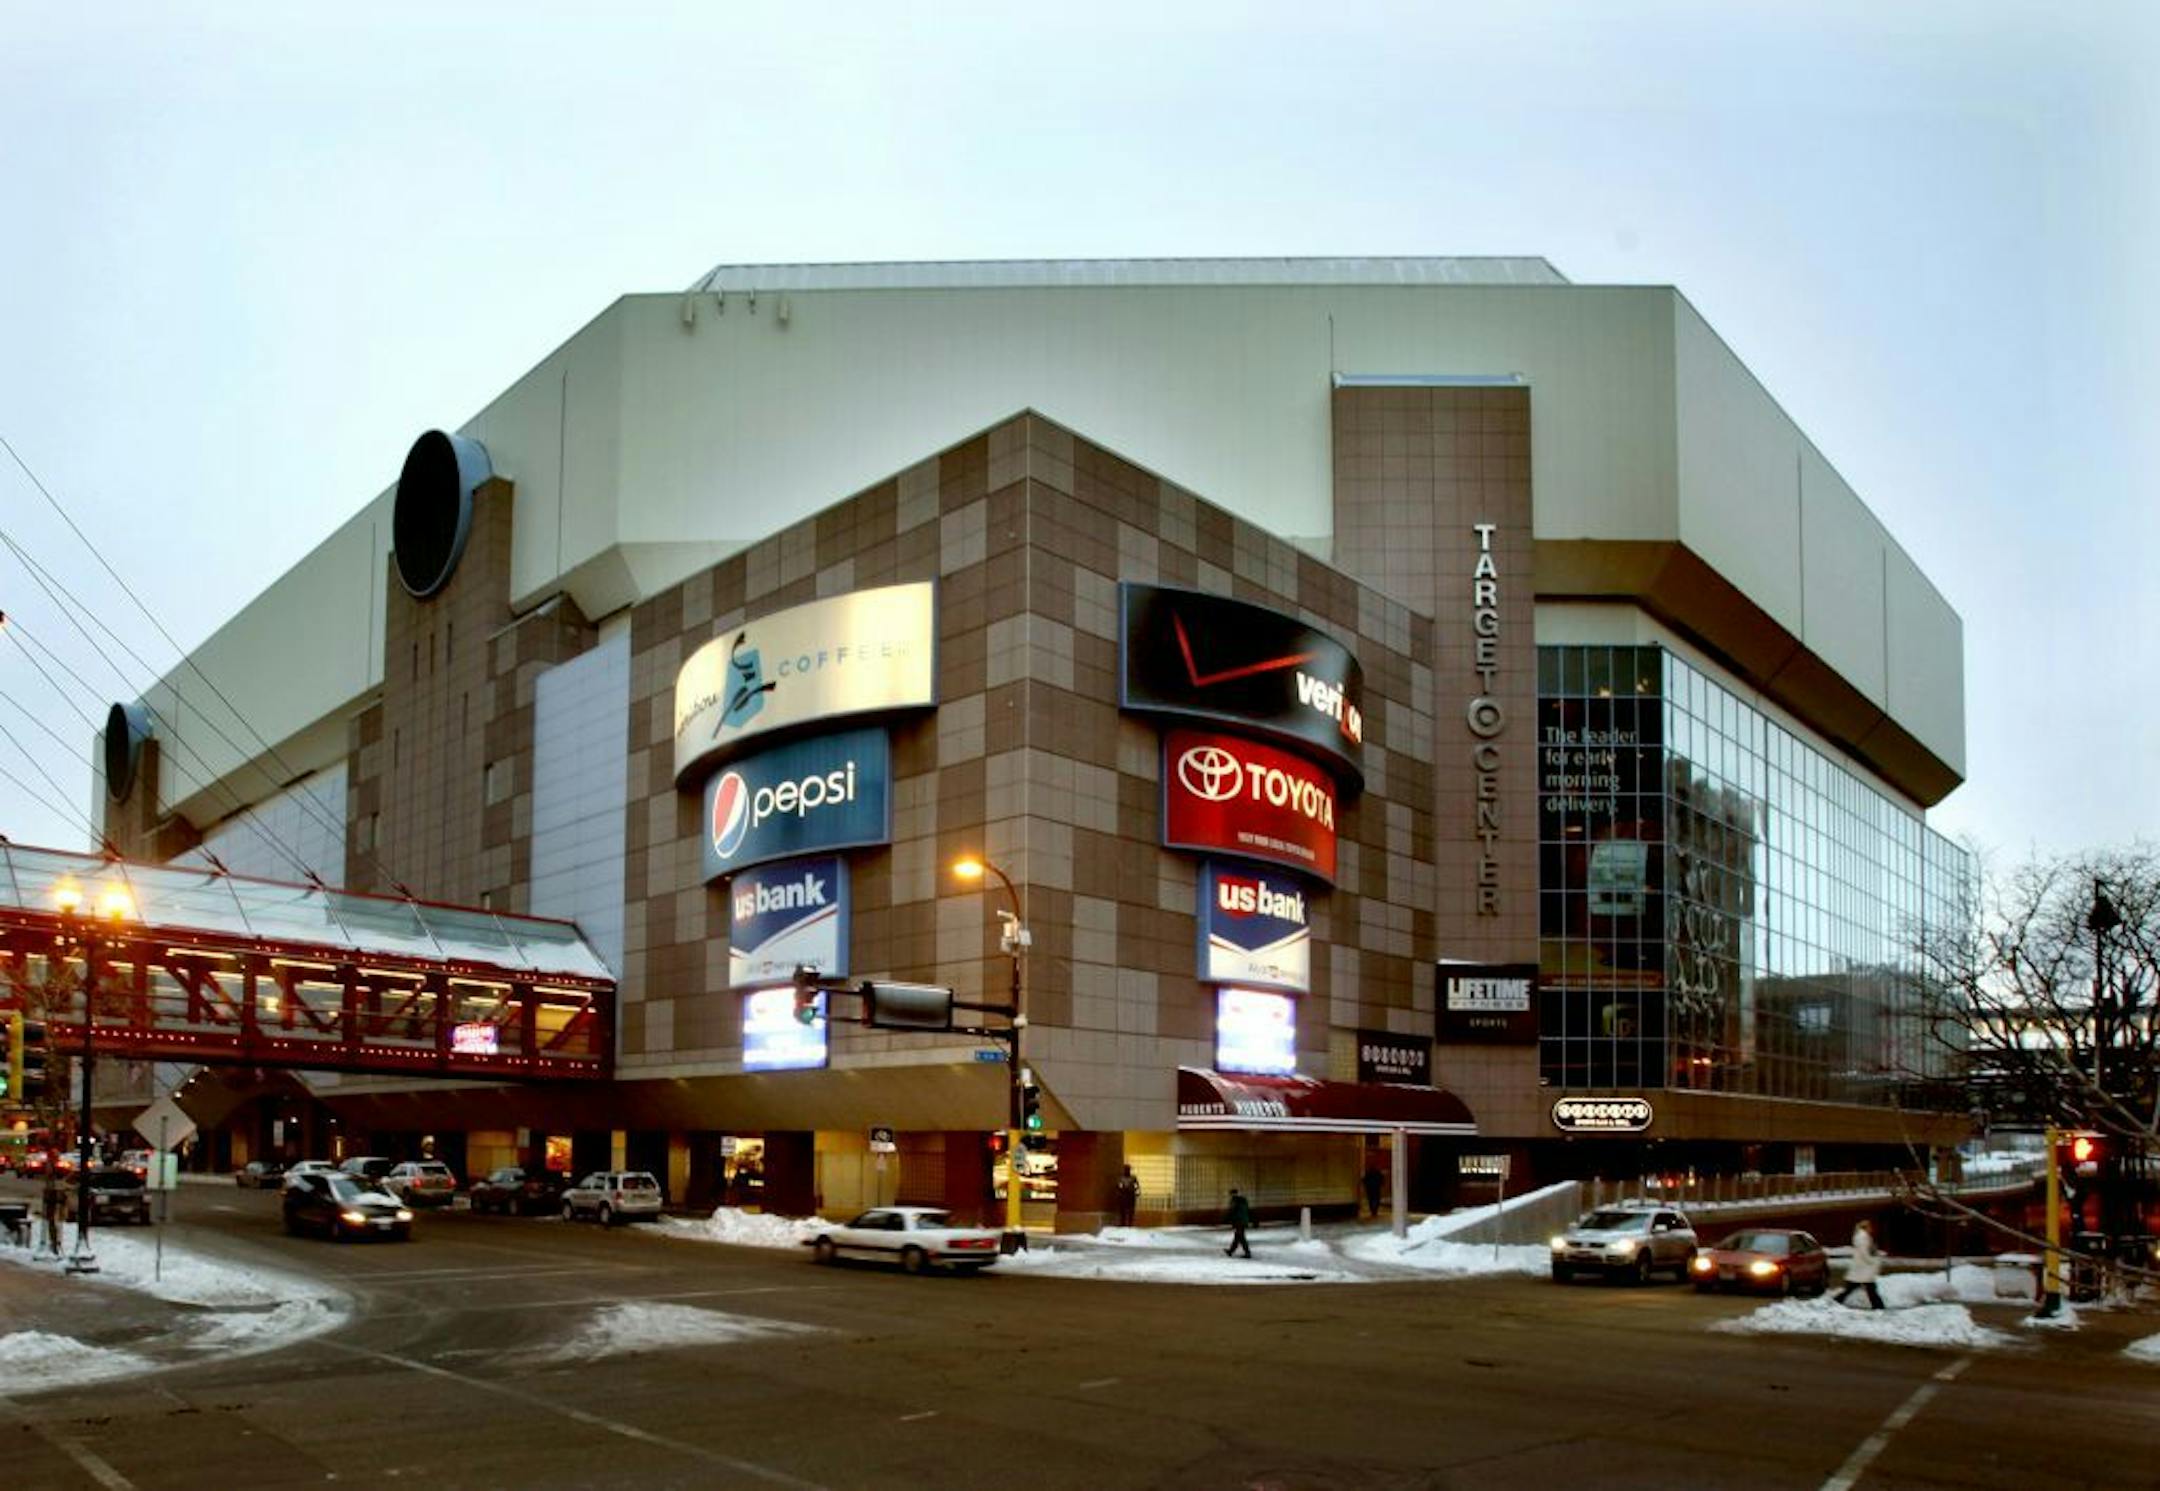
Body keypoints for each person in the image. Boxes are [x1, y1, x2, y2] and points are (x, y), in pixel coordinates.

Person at [1834, 1219, 1885, 1309]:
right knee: (1869, 1288)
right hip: (1863, 1268)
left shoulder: (1863, 1237)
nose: (1872, 1229)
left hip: (1862, 1268)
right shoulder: (1862, 1237)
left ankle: (1878, 1306)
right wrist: (1873, 1261)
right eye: (1870, 1227)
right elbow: (1864, 1252)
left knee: (1862, 1288)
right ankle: (1878, 1306)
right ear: (1866, 1227)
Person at [1224, 1187, 1253, 1258]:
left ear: (1232, 1194)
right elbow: (1247, 1210)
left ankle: (1247, 1253)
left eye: (1230, 1194)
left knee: (1241, 1237)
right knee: (1237, 1237)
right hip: (1244, 1220)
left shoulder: (1235, 1200)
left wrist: (1226, 1218)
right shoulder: (1243, 1199)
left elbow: (1232, 1211)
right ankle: (1230, 1251)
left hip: (1238, 1221)